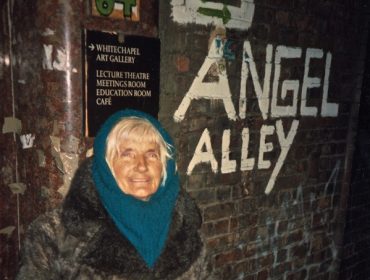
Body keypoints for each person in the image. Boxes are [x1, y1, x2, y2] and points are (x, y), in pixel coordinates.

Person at [16, 109, 207, 279]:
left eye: (151, 154)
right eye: (127, 154)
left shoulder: (187, 229)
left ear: (165, 165)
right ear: (106, 165)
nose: (142, 165)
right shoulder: (55, 235)